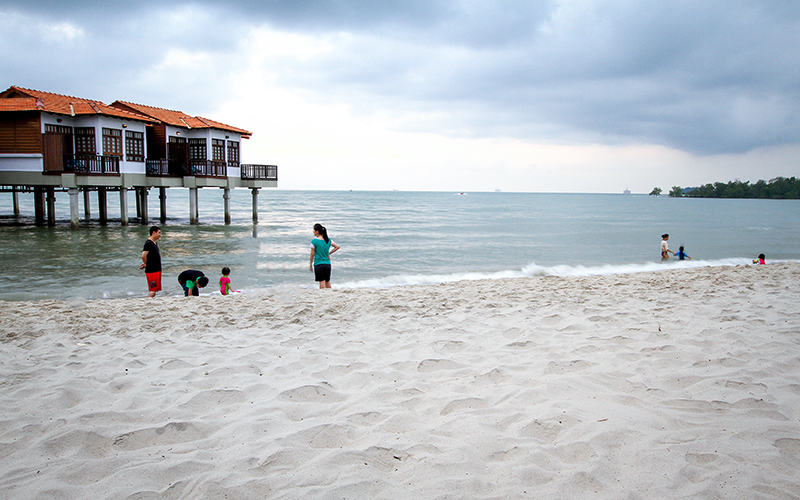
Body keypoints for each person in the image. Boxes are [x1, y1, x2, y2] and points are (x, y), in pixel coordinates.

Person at [309, 223, 341, 289]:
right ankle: (330, 293)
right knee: (327, 281)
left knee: (322, 281)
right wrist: (329, 253)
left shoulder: (314, 241)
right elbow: (337, 247)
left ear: (317, 231)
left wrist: (310, 264)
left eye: (314, 230)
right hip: (327, 263)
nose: (313, 232)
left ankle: (322, 294)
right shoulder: (328, 240)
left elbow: (312, 254)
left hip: (318, 263)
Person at [140, 226, 162, 297]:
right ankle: (147, 302)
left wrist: (146, 263)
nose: (160, 235)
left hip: (156, 269)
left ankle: (150, 302)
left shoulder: (154, 243)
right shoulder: (148, 243)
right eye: (159, 233)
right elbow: (143, 255)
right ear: (153, 232)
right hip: (152, 270)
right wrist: (146, 264)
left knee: (155, 289)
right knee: (153, 289)